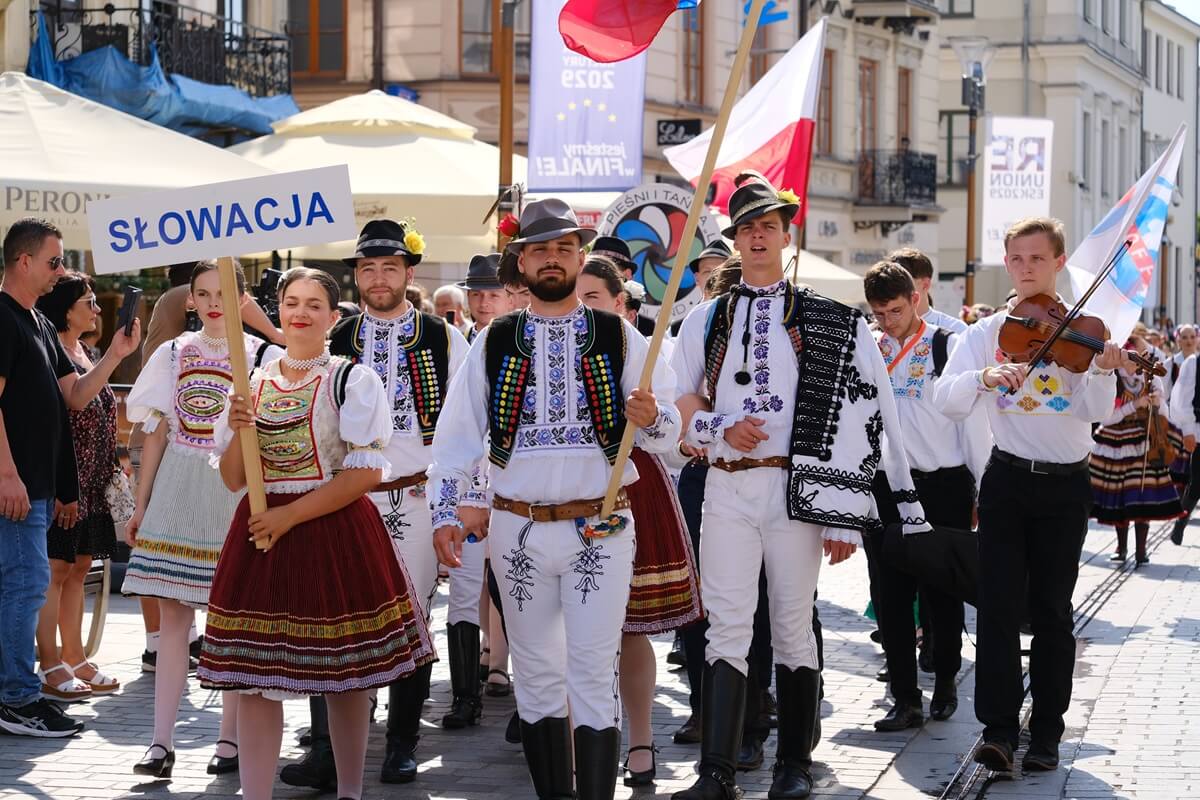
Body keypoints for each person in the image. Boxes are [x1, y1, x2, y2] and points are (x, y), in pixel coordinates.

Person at [670, 174, 926, 800]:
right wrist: (718, 426)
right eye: (747, 229)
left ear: (786, 237)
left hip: (796, 494)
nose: (757, 237)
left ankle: (794, 766)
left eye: (768, 227)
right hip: (727, 488)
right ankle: (717, 773)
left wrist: (844, 512)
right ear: (734, 241)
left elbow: (864, 412)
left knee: (789, 623)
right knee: (725, 625)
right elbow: (681, 401)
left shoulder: (831, 321)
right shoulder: (706, 317)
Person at [429, 198, 680, 800]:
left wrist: (651, 415)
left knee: (594, 672)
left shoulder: (618, 333)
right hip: (516, 530)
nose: (552, 259)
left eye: (564, 248)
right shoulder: (494, 339)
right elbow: (457, 435)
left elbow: (669, 432)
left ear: (579, 256)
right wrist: (447, 509)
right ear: (522, 259)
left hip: (601, 525)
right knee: (537, 678)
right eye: (540, 249)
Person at [195, 267, 434, 800]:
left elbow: (366, 473)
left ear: (332, 315)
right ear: (277, 310)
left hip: (331, 530)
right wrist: (238, 430)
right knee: (256, 681)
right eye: (291, 303)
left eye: (313, 304)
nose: (300, 313)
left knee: (343, 678)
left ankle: (350, 791)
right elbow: (235, 477)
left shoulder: (352, 379)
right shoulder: (251, 380)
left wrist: (289, 516)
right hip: (261, 535)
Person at [932, 217, 1125, 773]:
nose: (1024, 269)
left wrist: (1106, 371)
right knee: (995, 608)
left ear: (1058, 263)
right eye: (1016, 259)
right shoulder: (988, 332)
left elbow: (1095, 412)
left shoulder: (1085, 330)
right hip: (1007, 481)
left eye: (1036, 259)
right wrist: (985, 378)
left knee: (1052, 613)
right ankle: (996, 731)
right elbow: (946, 397)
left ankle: (1046, 734)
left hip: (1066, 486)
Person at [287, 220, 470, 790]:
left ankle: (401, 744)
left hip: (414, 495)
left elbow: (465, 429)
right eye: (368, 267)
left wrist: (455, 506)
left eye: (390, 266)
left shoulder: (444, 338)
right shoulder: (335, 338)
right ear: (357, 276)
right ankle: (327, 750)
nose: (379, 277)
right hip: (344, 498)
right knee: (334, 616)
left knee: (411, 616)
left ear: (408, 273)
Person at [123, 260, 283, 779]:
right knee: (173, 617)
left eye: (224, 292)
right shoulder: (172, 353)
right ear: (189, 300)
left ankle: (229, 739)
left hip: (232, 489)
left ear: (242, 301)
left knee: (229, 618)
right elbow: (158, 431)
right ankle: (160, 741)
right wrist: (140, 503)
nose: (214, 302)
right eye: (203, 293)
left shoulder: (262, 354)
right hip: (175, 487)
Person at [0, 218, 139, 737]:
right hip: (15, 485)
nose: (61, 272)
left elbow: (75, 397)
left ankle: (19, 692)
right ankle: (16, 697)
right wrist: (7, 473)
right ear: (24, 262)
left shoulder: (35, 321)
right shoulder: (4, 317)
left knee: (25, 585)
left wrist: (119, 356)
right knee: (26, 586)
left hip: (35, 486)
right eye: (55, 261)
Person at [577, 255, 702, 787]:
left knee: (627, 627)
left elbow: (673, 435)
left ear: (621, 303)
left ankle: (642, 739)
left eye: (593, 299)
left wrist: (651, 417)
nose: (581, 309)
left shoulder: (639, 349)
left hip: (628, 488)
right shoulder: (535, 340)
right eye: (574, 298)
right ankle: (579, 737)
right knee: (566, 634)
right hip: (559, 493)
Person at [862, 261, 990, 733]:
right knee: (890, 593)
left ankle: (948, 680)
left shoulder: (947, 346)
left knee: (942, 588)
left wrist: (982, 485)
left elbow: (972, 424)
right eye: (878, 313)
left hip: (943, 483)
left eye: (895, 310)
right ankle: (904, 697)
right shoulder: (869, 349)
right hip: (884, 488)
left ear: (915, 299)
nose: (887, 320)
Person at [34, 272, 123, 700]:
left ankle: (73, 655)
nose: (98, 308)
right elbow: (76, 403)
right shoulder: (54, 351)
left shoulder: (86, 351)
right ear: (67, 309)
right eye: (89, 301)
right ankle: (49, 660)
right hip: (63, 477)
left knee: (80, 566)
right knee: (56, 569)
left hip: (91, 480)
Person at [1090, 333, 1182, 565]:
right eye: (1129, 359)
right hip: (1116, 441)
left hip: (1144, 439)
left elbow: (1163, 411)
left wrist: (1158, 405)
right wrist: (1134, 405)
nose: (1133, 363)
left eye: (1136, 358)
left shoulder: (1150, 377)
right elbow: (1106, 418)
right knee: (1120, 497)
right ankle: (1121, 548)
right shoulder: (1113, 379)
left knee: (1142, 494)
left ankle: (1141, 550)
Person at [888, 247, 966, 334]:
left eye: (902, 282)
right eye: (889, 283)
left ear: (925, 284)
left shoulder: (955, 329)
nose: (894, 289)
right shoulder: (880, 331)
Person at [1170, 347, 1200, 544]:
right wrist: (1188, 430)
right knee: (1197, 485)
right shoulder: (1193, 363)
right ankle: (1180, 523)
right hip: (1199, 432)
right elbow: (1181, 399)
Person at [459, 253, 510, 343]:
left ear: (510, 299)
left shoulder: (523, 342)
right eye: (476, 294)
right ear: (468, 296)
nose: (483, 303)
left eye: (494, 295)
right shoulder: (456, 342)